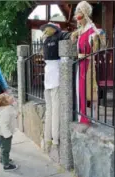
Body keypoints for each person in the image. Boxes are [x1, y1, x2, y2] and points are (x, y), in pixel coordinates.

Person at [71, 1, 106, 125]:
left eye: (79, 14)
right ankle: (82, 116)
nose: (77, 18)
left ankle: (85, 118)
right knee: (79, 90)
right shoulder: (81, 31)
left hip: (88, 64)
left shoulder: (92, 30)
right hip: (80, 63)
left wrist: (97, 37)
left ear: (84, 14)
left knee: (86, 91)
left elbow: (99, 48)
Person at [39, 22, 71, 152]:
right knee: (54, 109)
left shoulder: (50, 38)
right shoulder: (53, 37)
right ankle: (53, 139)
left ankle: (50, 139)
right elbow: (68, 35)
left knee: (51, 110)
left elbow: (68, 35)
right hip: (54, 75)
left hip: (50, 75)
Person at [0, 93, 18, 171]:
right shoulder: (5, 111)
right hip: (5, 134)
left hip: (2, 133)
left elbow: (13, 109)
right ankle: (6, 165)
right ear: (4, 102)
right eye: (8, 97)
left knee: (3, 147)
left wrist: (13, 103)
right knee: (6, 149)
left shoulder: (7, 108)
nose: (11, 97)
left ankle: (2, 159)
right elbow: (3, 125)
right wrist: (8, 135)